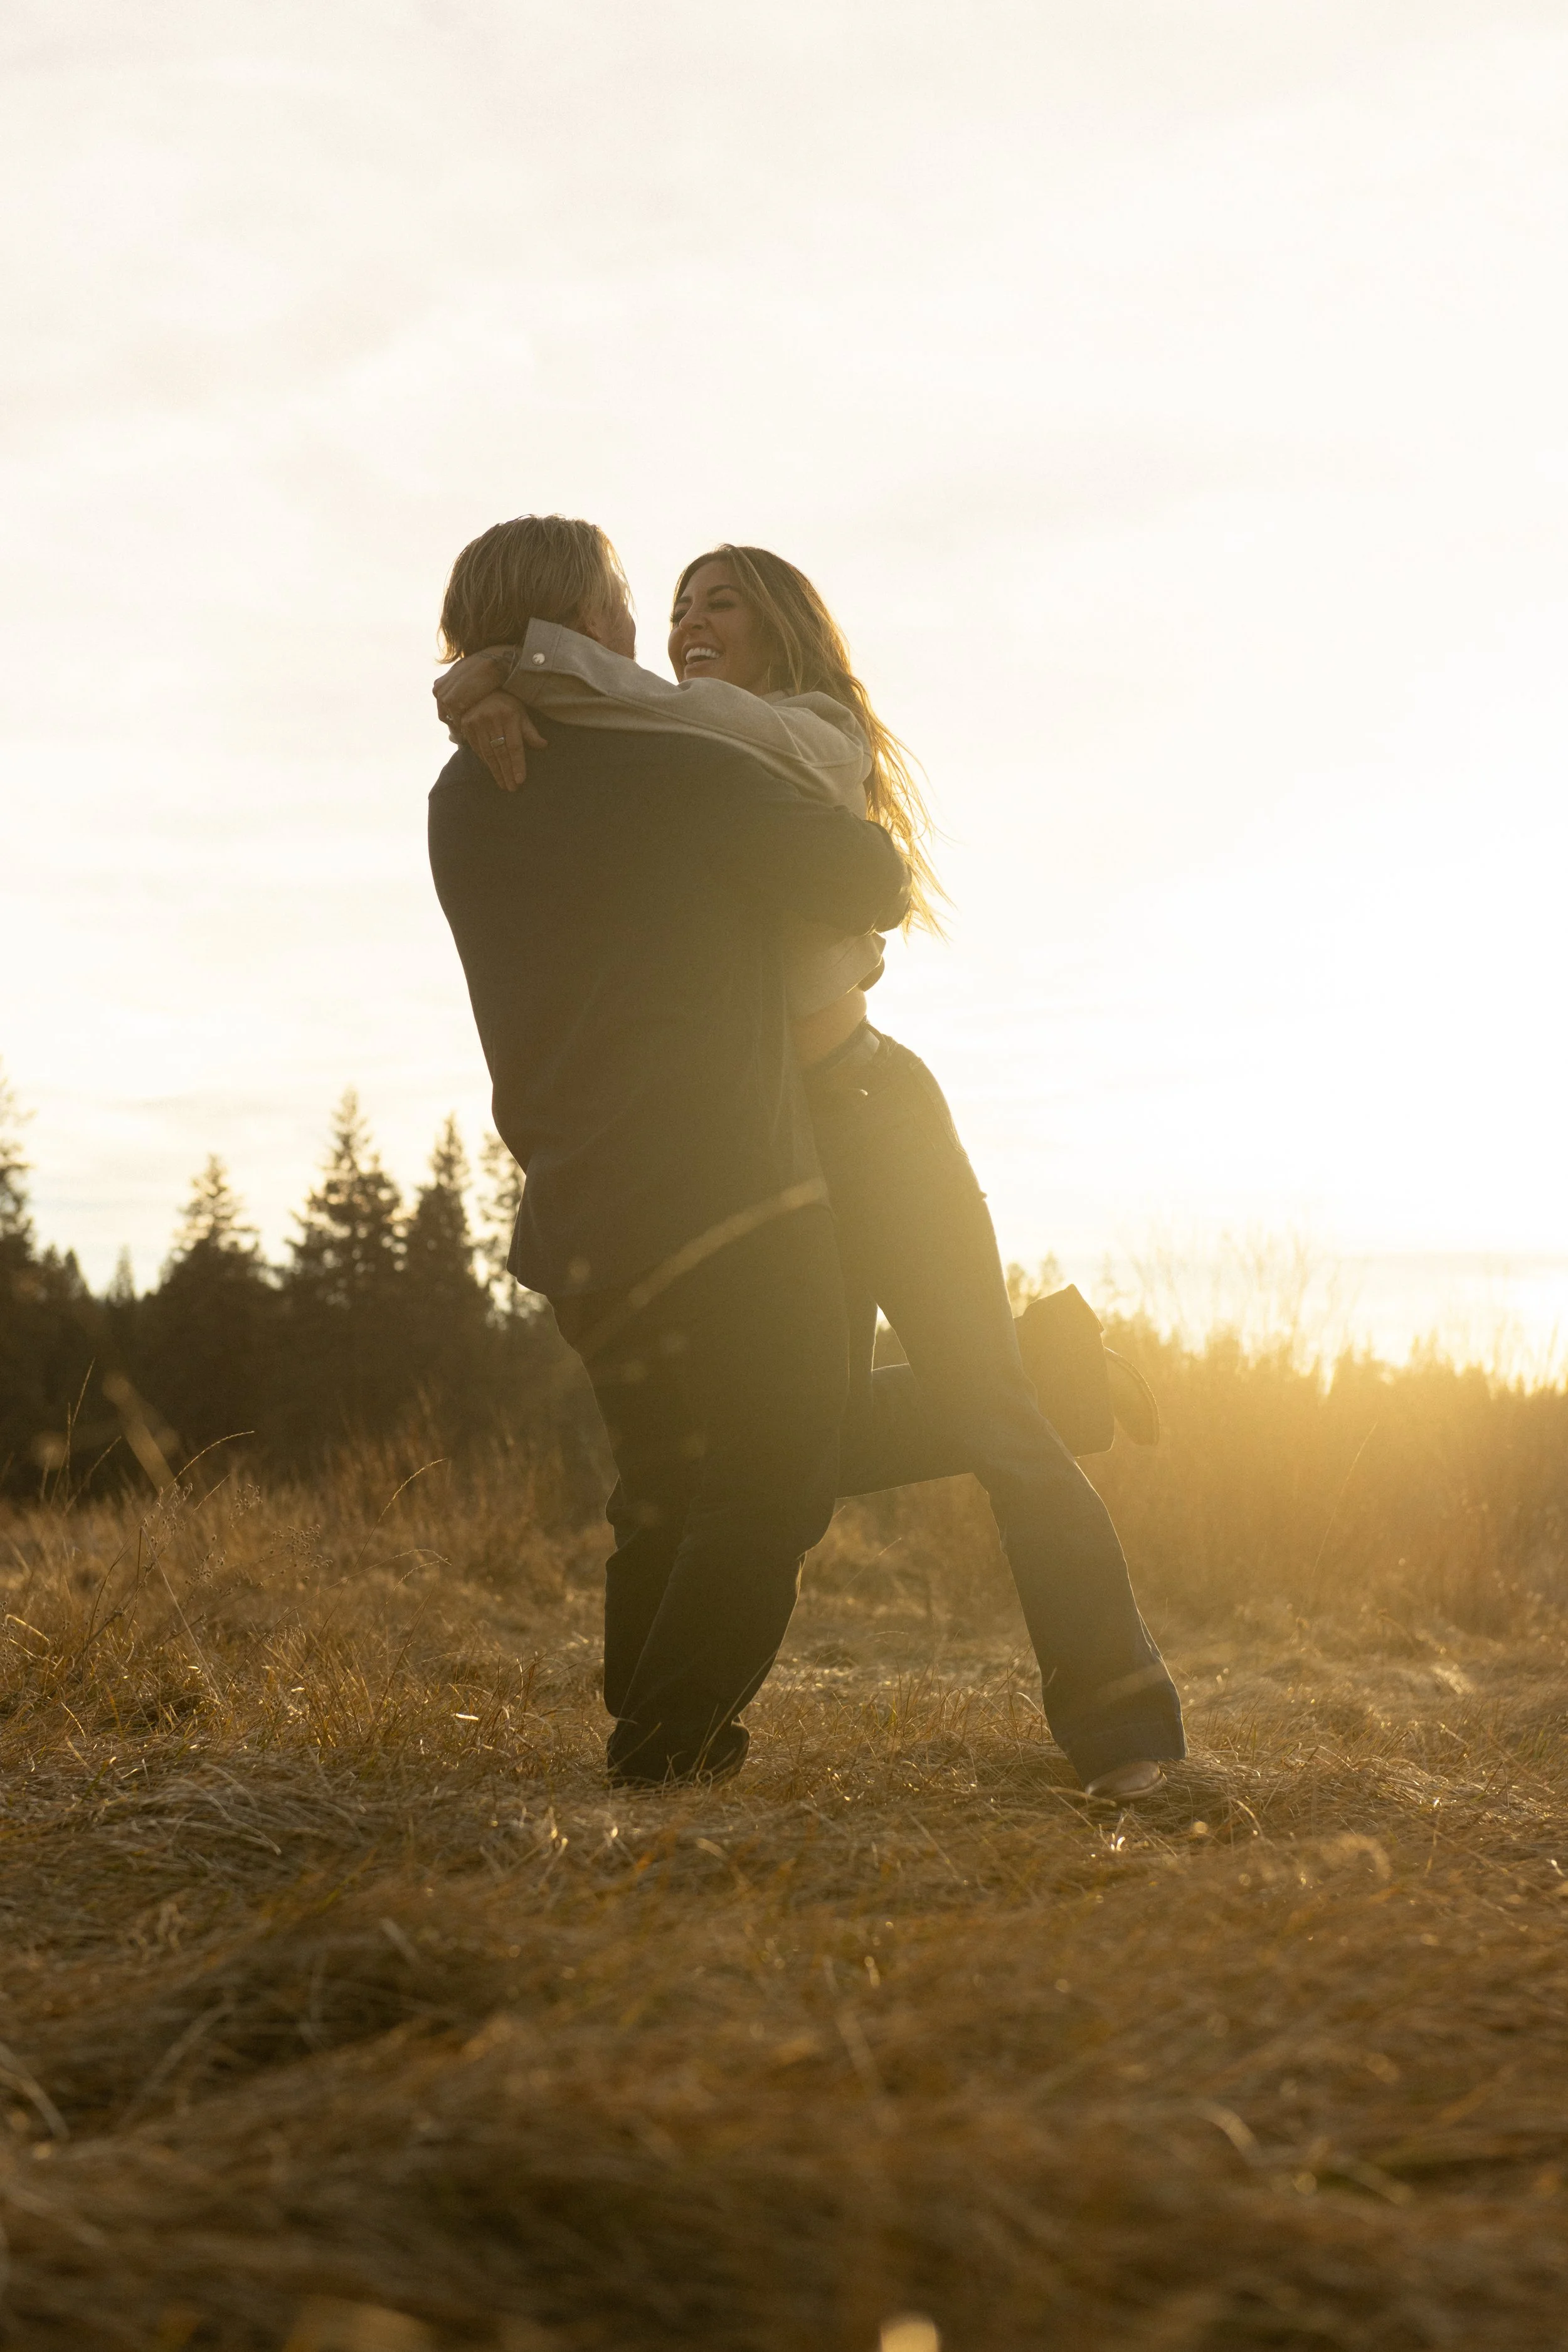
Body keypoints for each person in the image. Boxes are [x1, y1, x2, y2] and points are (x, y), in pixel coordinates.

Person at [437, 545, 1185, 1801]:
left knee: (993, 1432)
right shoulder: (642, 745)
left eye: (716, 602)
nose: (683, 626)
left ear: (783, 627)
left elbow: (679, 732)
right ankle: (1052, 1364)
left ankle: (1128, 1744)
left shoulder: (793, 734)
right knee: (787, 1443)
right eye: (671, 608)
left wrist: (504, 670)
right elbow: (627, 737)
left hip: (867, 1107)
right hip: (774, 1146)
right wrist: (490, 688)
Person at [428, 517, 910, 1788]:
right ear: (585, 625)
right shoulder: (670, 769)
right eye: (628, 604)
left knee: (659, 1481)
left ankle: (648, 1721)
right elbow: (869, 875)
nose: (645, 634)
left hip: (575, 1211)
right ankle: (665, 1745)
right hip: (729, 1181)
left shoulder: (462, 793)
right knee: (776, 1470)